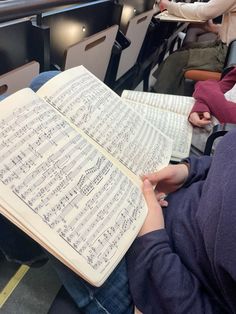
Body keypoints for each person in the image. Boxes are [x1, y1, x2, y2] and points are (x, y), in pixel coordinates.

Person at [1, 72, 236, 313]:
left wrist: (152, 241)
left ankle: (28, 249)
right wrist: (188, 170)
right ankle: (31, 246)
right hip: (166, 210)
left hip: (156, 283)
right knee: (46, 82)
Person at [152, 0, 236, 95]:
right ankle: (161, 90)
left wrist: (169, 6)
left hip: (229, 57)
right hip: (227, 48)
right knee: (186, 48)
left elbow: (204, 12)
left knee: (176, 59)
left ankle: (160, 98)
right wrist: (215, 28)